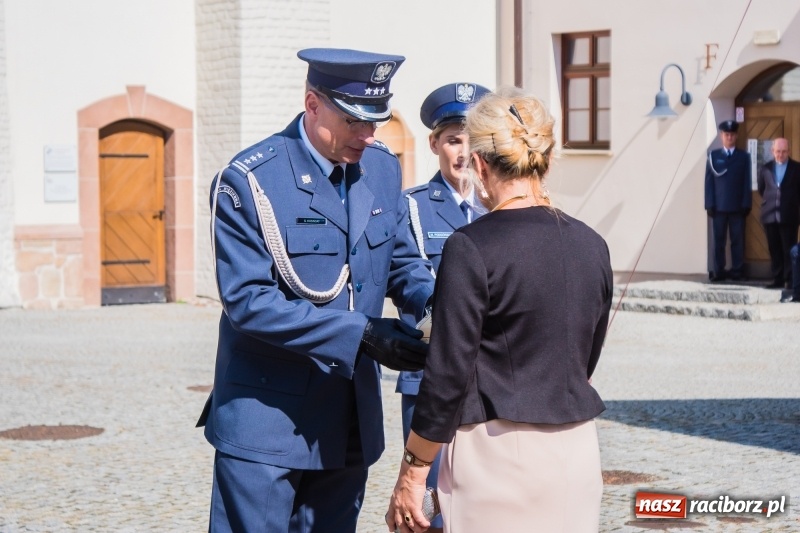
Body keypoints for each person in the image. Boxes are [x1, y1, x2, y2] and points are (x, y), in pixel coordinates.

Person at [197, 48, 436, 533]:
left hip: (347, 419)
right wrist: (363, 335)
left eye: (375, 122)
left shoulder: (381, 169)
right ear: (312, 104)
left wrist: (441, 306)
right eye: (353, 121)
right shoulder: (250, 181)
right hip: (268, 421)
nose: (368, 136)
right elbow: (249, 302)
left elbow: (403, 262)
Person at [385, 88, 613, 533]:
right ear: (543, 162)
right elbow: (586, 355)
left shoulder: (471, 246)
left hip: (497, 457)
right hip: (577, 454)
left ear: (481, 165)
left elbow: (448, 376)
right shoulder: (593, 244)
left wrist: (413, 472)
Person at [394, 82, 490, 533]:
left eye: (472, 139)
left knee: (485, 501)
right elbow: (410, 280)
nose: (463, 151)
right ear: (434, 143)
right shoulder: (412, 209)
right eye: (453, 139)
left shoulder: (500, 208)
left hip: (490, 381)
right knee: (429, 506)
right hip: (429, 377)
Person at [704, 119, 752, 282]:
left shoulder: (744, 157)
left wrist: (747, 203)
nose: (729, 137)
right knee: (719, 242)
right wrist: (709, 204)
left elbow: (746, 182)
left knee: (737, 241)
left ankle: (737, 270)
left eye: (732, 135)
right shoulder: (713, 156)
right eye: (726, 135)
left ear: (736, 136)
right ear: (721, 136)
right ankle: (719, 271)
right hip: (718, 208)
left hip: (738, 208)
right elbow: (709, 182)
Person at [757, 138, 800, 289]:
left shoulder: (797, 168)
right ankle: (778, 278)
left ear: (789, 151)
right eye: (777, 151)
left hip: (789, 216)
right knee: (774, 248)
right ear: (772, 151)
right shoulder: (765, 168)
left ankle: (790, 279)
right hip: (769, 215)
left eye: (783, 151)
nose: (780, 155)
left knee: (789, 248)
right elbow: (762, 189)